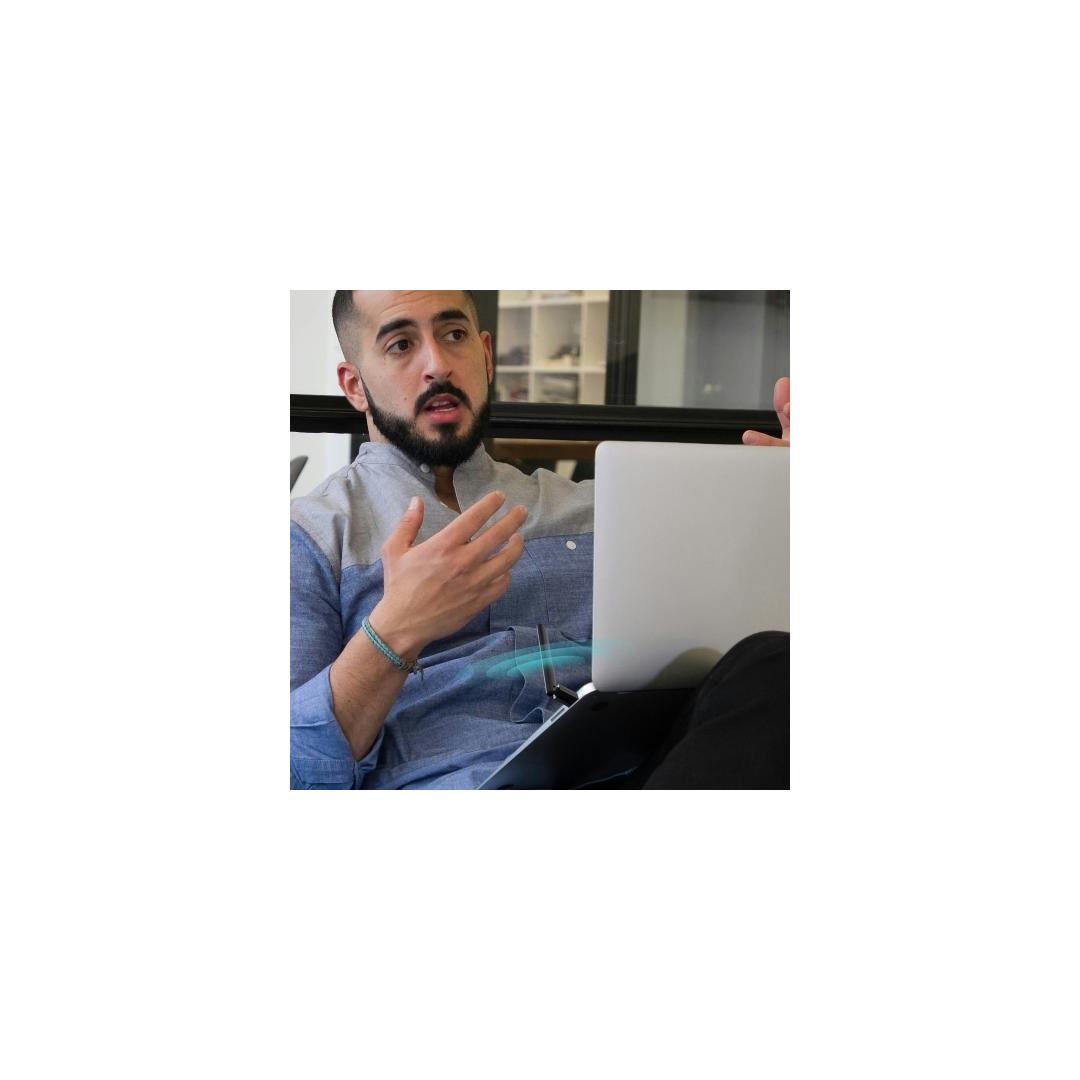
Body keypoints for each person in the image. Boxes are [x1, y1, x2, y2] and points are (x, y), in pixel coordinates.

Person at [290, 291, 790, 789]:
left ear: (486, 356)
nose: (438, 365)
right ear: (354, 386)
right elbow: (294, 771)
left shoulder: (604, 507)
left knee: (774, 661)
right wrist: (393, 632)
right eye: (401, 345)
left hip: (643, 771)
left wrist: (783, 501)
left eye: (455, 334)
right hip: (462, 787)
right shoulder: (312, 535)